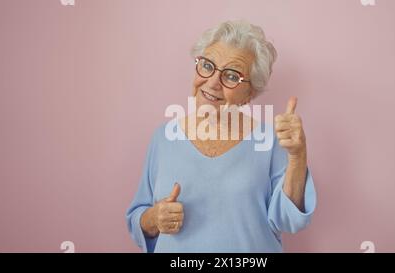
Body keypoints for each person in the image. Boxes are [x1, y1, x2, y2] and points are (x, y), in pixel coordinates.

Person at [126, 20, 316, 252]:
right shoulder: (163, 138)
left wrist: (298, 156)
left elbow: (289, 220)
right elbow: (137, 219)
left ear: (250, 92)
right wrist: (154, 218)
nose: (213, 83)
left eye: (232, 76)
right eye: (207, 66)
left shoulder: (271, 142)